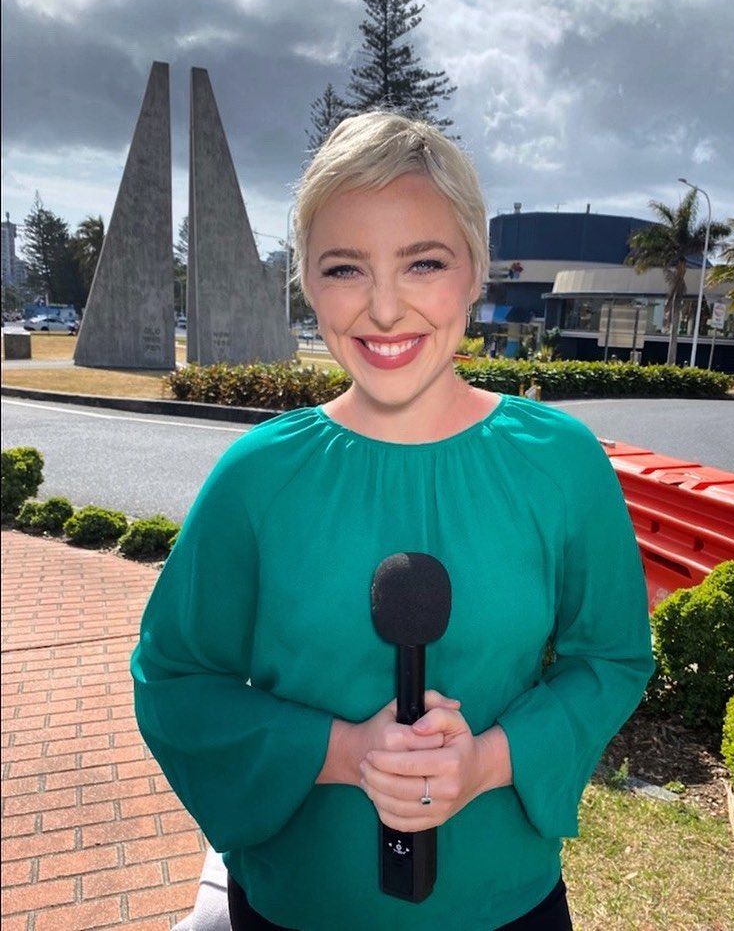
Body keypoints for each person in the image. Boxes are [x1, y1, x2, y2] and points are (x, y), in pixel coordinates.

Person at [131, 111, 655, 931]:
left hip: (507, 905)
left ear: (476, 271)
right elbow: (175, 678)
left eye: (424, 262)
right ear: (307, 282)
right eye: (345, 267)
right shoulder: (257, 476)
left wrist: (487, 761)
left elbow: (612, 656)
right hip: (297, 906)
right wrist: (347, 752)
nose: (383, 308)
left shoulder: (560, 462)